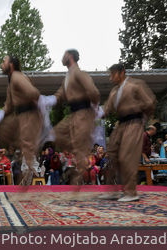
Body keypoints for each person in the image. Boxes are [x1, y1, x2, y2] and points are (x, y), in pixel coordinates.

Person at [102, 63, 156, 202]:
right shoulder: (114, 91)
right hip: (120, 124)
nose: (110, 78)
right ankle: (111, 191)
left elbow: (150, 102)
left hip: (134, 123)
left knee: (127, 156)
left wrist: (143, 119)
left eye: (113, 74)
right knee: (112, 154)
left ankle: (131, 192)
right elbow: (106, 109)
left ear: (122, 72)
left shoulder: (136, 84)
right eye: (110, 74)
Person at [53, 49, 100, 187]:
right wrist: (45, 101)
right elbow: (59, 95)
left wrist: (95, 109)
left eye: (65, 54)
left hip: (83, 112)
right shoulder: (66, 78)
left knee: (79, 148)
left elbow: (93, 91)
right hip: (73, 113)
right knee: (56, 133)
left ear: (71, 56)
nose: (62, 57)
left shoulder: (80, 73)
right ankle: (79, 153)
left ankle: (79, 185)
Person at [0, 55, 42, 185]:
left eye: (3, 62)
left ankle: (29, 175)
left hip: (29, 115)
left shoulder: (17, 77)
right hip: (22, 117)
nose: (1, 64)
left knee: (27, 150)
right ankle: (27, 172)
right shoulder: (12, 81)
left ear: (11, 65)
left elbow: (33, 93)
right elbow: (9, 106)